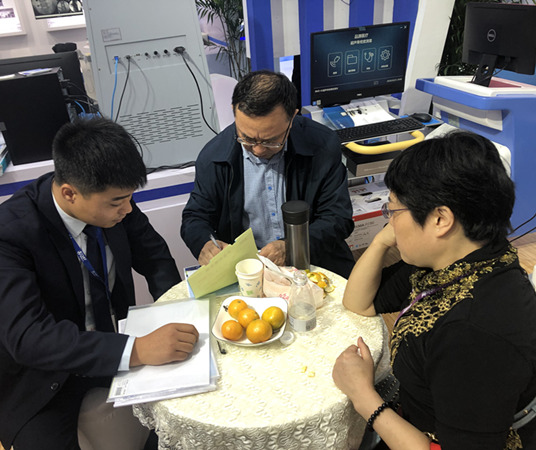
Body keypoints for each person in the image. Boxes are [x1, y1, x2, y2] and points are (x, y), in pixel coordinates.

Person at [0, 118, 199, 450]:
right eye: (117, 202)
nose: (127, 209)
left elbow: (154, 257)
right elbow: (29, 337)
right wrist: (136, 349)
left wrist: (173, 311)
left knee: (182, 420)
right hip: (40, 374)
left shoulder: (113, 200)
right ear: (70, 193)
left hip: (108, 341)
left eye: (129, 199)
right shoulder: (5, 234)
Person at [332, 131, 536, 449]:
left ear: (441, 219)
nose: (390, 221)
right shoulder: (458, 258)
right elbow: (359, 302)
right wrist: (383, 239)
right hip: (414, 414)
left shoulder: (473, 331)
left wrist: (363, 395)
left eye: (393, 211)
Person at [181, 70, 355, 278]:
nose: (258, 150)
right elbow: (195, 216)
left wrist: (292, 246)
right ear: (234, 113)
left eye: (271, 141)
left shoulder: (321, 145)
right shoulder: (214, 157)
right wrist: (204, 243)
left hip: (314, 260)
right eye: (247, 138)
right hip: (251, 271)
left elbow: (338, 217)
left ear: (292, 118)